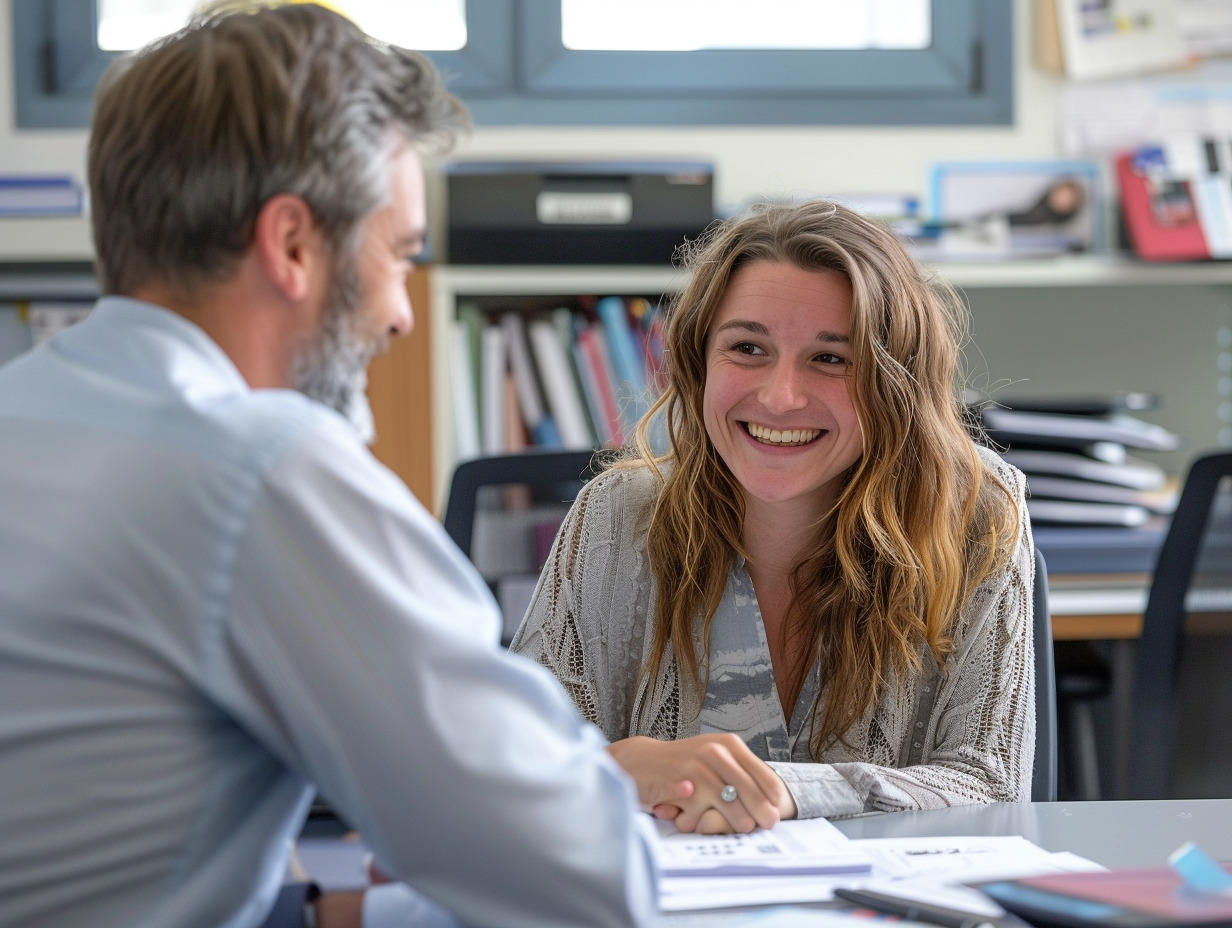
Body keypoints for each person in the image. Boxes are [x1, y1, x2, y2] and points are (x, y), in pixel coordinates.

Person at [0, 5, 660, 927]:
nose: (402, 315)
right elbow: (587, 879)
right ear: (294, 245)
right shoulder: (255, 465)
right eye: (399, 256)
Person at [512, 198, 1036, 834]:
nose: (781, 397)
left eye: (831, 358)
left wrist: (782, 790)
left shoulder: (976, 515)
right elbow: (514, 765)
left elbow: (990, 783)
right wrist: (617, 766)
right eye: (747, 348)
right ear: (699, 362)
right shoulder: (616, 517)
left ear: (895, 385)